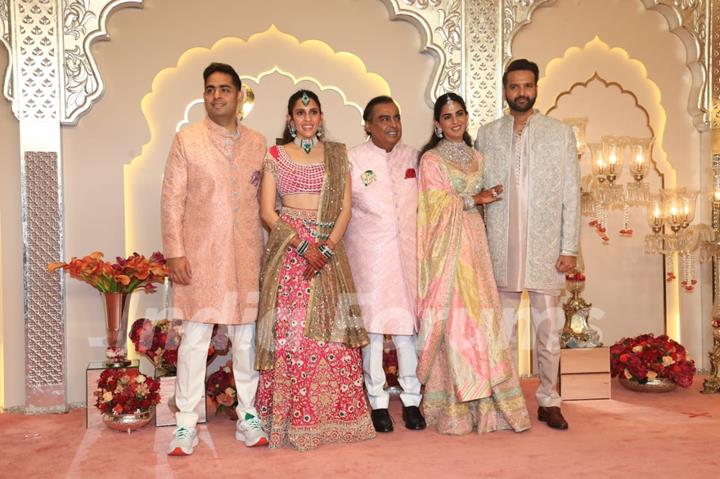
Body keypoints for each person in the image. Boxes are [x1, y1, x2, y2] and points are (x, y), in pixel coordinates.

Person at [254, 89, 376, 450]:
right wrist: (303, 246)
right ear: (290, 118)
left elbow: (345, 209)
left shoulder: (338, 155)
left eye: (313, 112)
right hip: (291, 252)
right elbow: (267, 212)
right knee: (291, 336)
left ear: (321, 117)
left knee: (335, 334)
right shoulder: (275, 155)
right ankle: (293, 420)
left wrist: (326, 247)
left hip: (328, 251)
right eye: (300, 112)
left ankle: (336, 417)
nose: (307, 118)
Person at [161, 62, 269, 456]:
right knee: (195, 338)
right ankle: (186, 423)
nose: (217, 95)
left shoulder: (258, 143)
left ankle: (248, 416)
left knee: (245, 340)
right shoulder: (187, 139)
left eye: (225, 89)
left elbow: (267, 201)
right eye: (210, 89)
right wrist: (175, 251)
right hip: (201, 255)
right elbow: (171, 198)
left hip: (246, 253)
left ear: (240, 96)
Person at [416, 92, 530, 435]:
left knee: (482, 319)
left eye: (460, 114)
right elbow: (432, 206)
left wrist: (487, 195)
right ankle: (456, 405)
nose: (455, 121)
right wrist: (473, 198)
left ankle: (488, 402)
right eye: (448, 116)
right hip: (448, 250)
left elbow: (480, 201)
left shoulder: (477, 157)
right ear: (437, 124)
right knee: (457, 322)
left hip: (474, 243)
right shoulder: (431, 161)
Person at [475, 58, 580, 430]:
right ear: (505, 91)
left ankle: (550, 401)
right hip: (502, 248)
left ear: (537, 88)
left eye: (527, 86)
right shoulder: (487, 134)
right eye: (514, 86)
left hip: (545, 248)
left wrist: (569, 246)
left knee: (548, 334)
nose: (521, 92)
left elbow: (571, 193)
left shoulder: (559, 133)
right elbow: (476, 189)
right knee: (502, 332)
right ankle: (506, 398)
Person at [345, 96, 426, 433]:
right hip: (369, 256)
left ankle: (411, 400)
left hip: (408, 255)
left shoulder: (415, 157)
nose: (392, 124)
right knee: (375, 332)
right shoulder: (352, 158)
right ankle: (377, 401)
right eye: (383, 119)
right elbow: (341, 209)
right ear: (367, 125)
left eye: (396, 117)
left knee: (407, 331)